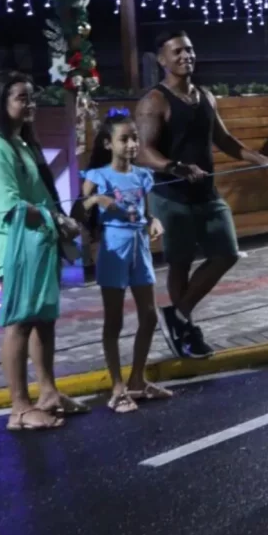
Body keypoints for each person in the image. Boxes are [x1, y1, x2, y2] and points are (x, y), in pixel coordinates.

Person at [135, 31, 268, 360]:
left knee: (226, 253)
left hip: (207, 193)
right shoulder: (154, 101)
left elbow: (225, 140)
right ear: (162, 60)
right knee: (180, 264)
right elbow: (142, 152)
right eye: (176, 52)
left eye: (189, 49)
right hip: (171, 195)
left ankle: (177, 315)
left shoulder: (205, 96)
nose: (185, 55)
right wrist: (175, 167)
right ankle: (186, 328)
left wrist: (261, 159)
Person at [0, 70, 88, 430]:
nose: (30, 104)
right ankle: (19, 408)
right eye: (22, 98)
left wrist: (57, 222)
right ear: (1, 103)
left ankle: (48, 392)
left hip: (38, 245)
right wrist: (57, 218)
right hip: (14, 248)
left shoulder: (21, 144)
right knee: (20, 324)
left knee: (43, 320)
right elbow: (10, 206)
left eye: (31, 97)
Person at [73, 110, 172, 414]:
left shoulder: (142, 176)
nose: (131, 144)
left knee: (149, 316)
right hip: (113, 248)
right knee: (113, 320)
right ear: (108, 143)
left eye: (134, 138)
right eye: (124, 139)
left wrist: (154, 221)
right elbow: (77, 210)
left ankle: (137, 380)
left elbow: (145, 211)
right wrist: (98, 201)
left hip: (139, 247)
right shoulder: (98, 176)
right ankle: (117, 386)